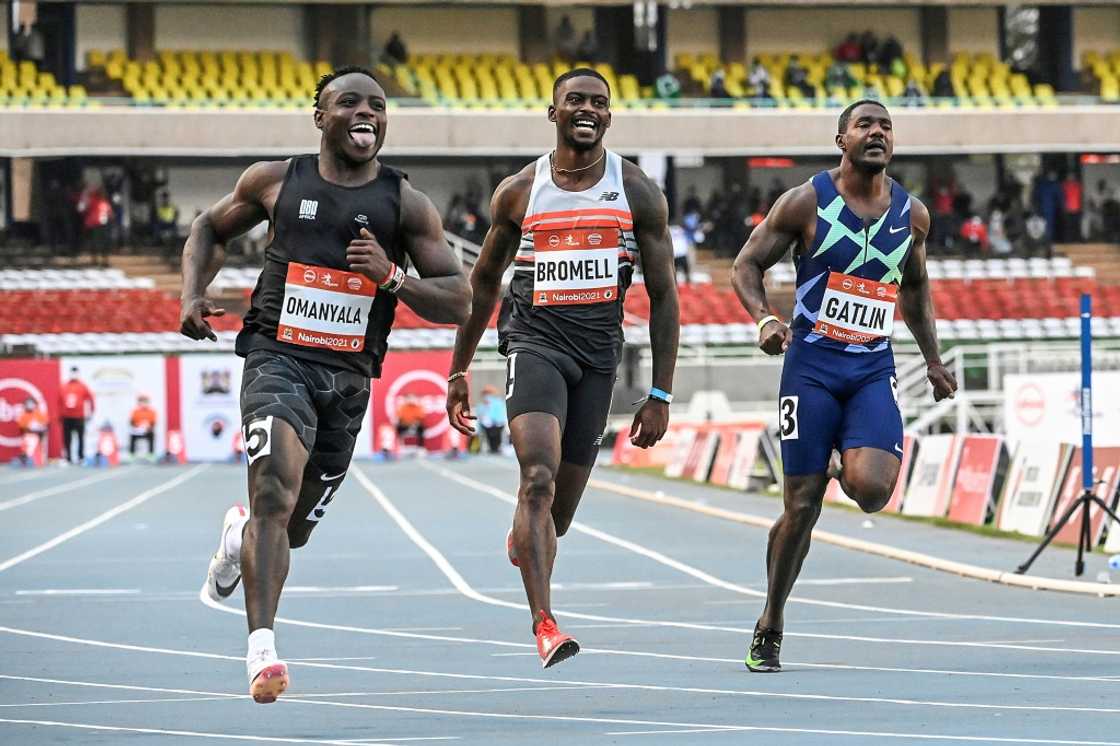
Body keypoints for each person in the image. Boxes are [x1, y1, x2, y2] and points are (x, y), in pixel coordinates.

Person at [179, 65, 470, 704]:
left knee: (290, 528)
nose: (366, 114)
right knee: (274, 491)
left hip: (348, 379)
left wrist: (393, 279)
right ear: (320, 117)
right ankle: (262, 650)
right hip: (276, 357)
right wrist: (192, 293)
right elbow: (206, 228)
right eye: (349, 103)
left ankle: (238, 536)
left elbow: (460, 300)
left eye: (378, 105)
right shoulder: (276, 181)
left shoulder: (406, 203)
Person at [445, 68, 680, 668]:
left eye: (597, 102)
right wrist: (459, 369)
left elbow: (664, 295)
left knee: (559, 516)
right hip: (534, 342)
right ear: (552, 113)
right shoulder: (520, 192)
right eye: (574, 100)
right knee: (539, 480)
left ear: (609, 117)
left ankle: (529, 535)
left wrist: (660, 392)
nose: (586, 109)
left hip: (598, 356)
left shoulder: (639, 192)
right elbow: (483, 284)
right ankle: (545, 623)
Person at [730, 99, 957, 673]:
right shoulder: (806, 200)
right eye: (865, 124)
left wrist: (932, 360)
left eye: (885, 125)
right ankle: (771, 620)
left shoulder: (914, 214)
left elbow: (915, 289)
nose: (877, 132)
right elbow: (745, 266)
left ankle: (838, 461)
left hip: (871, 368)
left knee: (873, 492)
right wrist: (765, 319)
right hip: (809, 368)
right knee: (800, 507)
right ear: (841, 138)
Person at [59, 366, 94, 465]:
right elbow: (59, 402)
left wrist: (91, 411)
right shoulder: (64, 386)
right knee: (67, 439)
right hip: (67, 416)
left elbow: (90, 398)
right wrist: (59, 415)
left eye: (75, 372)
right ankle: (68, 458)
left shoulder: (82, 386)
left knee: (80, 438)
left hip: (79, 416)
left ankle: (81, 457)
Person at [475, 384, 507, 454]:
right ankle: (492, 447)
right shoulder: (481, 405)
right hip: (487, 426)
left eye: (489, 393)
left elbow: (501, 416)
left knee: (496, 431)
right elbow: (480, 417)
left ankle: (497, 447)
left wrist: (494, 421)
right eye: (486, 393)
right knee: (488, 429)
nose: (487, 396)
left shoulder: (498, 402)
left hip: (498, 424)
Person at [16, 398, 48, 466]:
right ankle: (26, 456)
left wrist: (38, 428)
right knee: (29, 439)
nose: (30, 406)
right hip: (28, 435)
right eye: (28, 404)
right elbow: (21, 428)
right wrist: (29, 429)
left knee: (35, 439)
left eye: (31, 404)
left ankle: (33, 457)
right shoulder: (24, 415)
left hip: (39, 435)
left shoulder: (39, 414)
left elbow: (45, 426)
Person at [129, 394, 158, 460]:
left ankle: (151, 454)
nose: (143, 403)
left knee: (152, 435)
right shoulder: (135, 411)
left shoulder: (152, 412)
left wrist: (148, 427)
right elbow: (131, 422)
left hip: (147, 431)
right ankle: (132, 454)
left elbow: (153, 423)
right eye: (141, 402)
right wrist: (137, 426)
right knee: (132, 436)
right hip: (137, 431)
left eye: (145, 402)